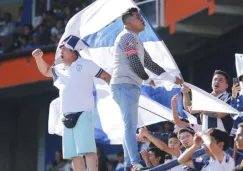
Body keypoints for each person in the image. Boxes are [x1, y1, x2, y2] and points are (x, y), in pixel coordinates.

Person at [110, 7, 183, 171]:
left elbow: (149, 64)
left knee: (129, 125)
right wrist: (147, 78)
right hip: (125, 85)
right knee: (130, 126)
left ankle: (130, 164)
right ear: (129, 22)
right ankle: (135, 163)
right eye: (138, 17)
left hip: (129, 86)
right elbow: (135, 62)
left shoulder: (136, 39)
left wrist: (171, 78)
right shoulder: (127, 36)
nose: (142, 19)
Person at [32, 35, 111, 171]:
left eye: (65, 50)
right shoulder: (59, 68)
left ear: (74, 52)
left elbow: (105, 76)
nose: (61, 52)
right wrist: (38, 59)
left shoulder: (87, 64)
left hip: (83, 114)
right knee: (74, 155)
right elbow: (45, 71)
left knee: (88, 151)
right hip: (66, 116)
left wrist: (115, 90)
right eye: (61, 49)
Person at [182, 70, 233, 134]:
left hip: (224, 135)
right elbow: (188, 108)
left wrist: (200, 110)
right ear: (211, 83)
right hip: (206, 135)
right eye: (215, 79)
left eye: (220, 80)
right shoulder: (205, 98)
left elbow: (220, 114)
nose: (217, 81)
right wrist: (185, 93)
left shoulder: (230, 97)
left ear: (226, 86)